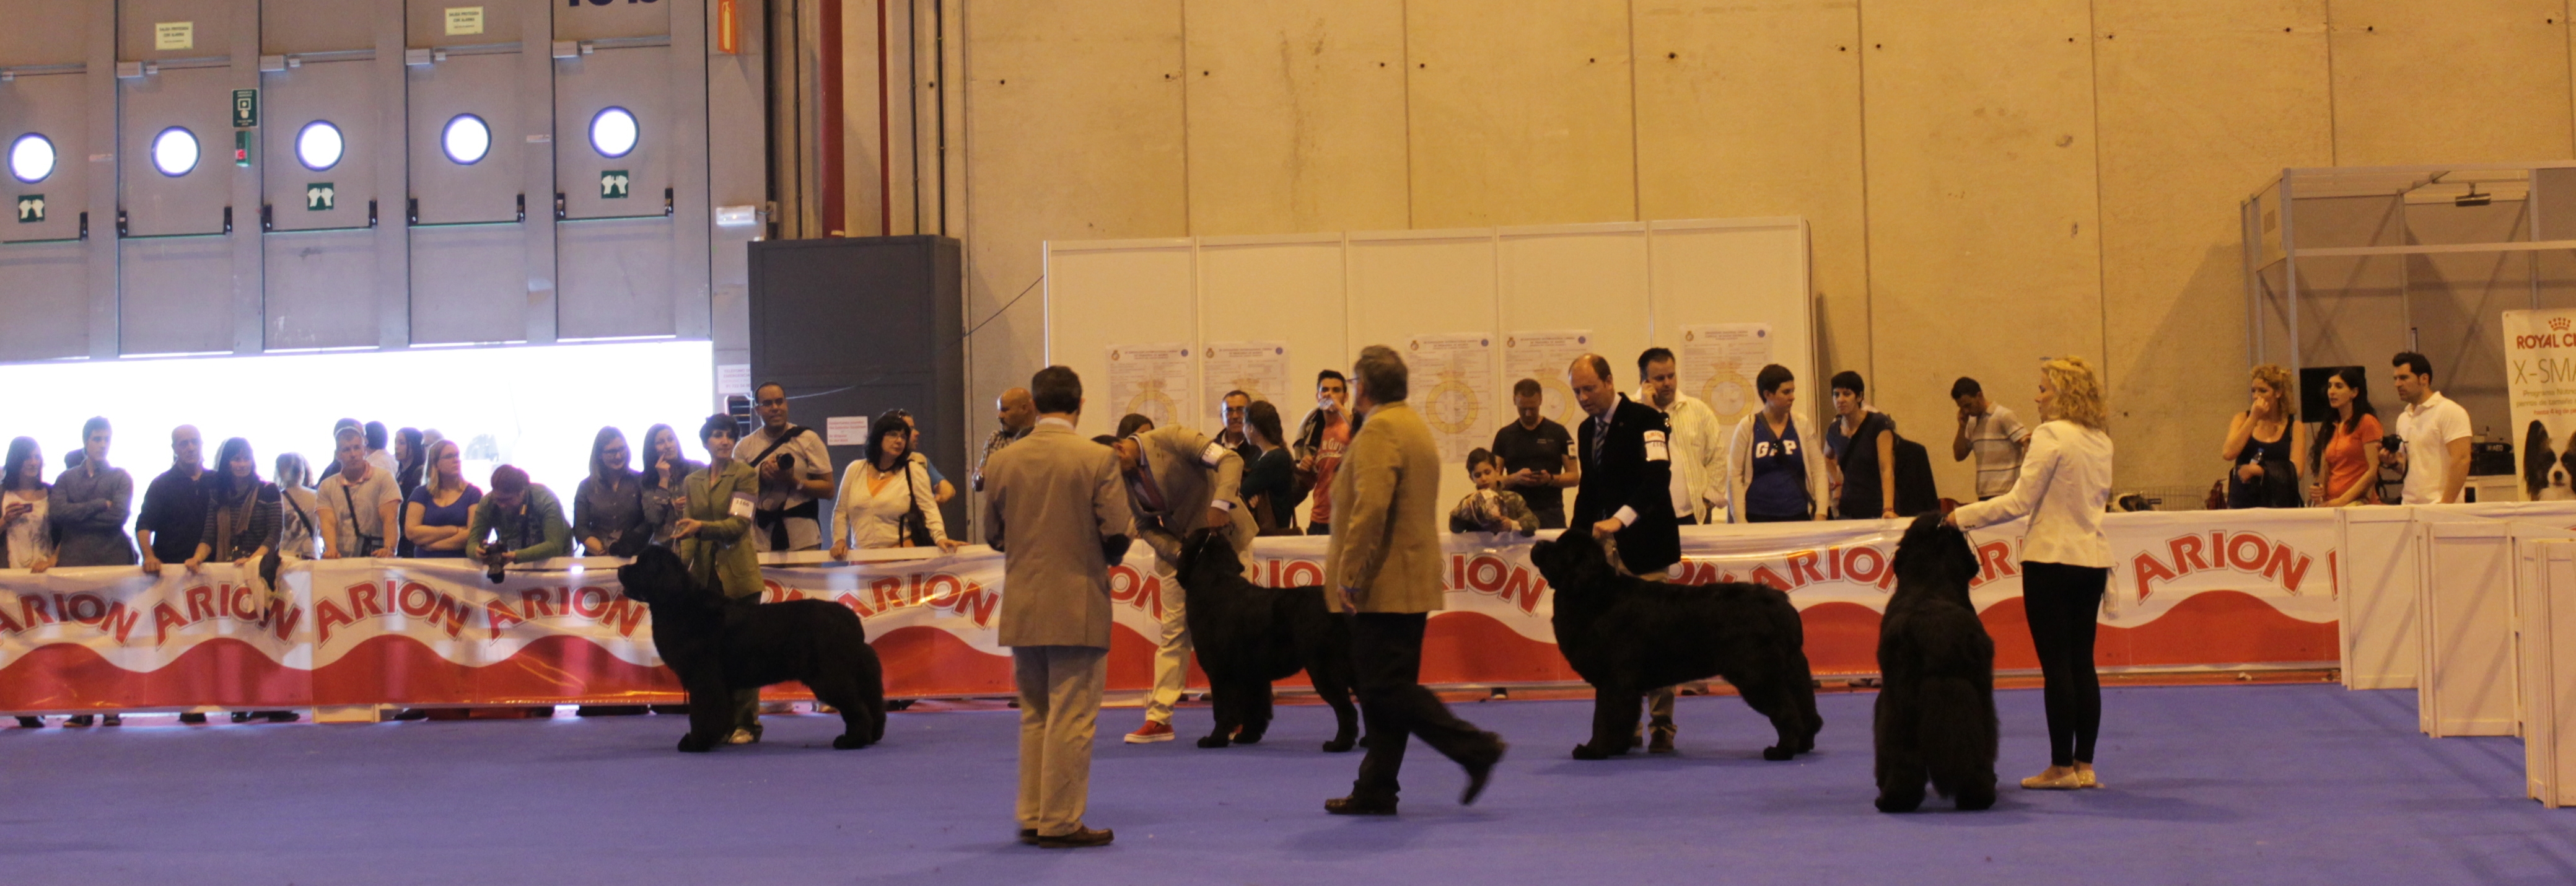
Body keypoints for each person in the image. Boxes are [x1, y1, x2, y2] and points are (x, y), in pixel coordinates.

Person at [1325, 345, 1506, 816]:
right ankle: (1376, 788)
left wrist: (1350, 574)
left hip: (1384, 583)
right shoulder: (1413, 425)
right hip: (1408, 580)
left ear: (1364, 387)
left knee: (1384, 689)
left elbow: (1370, 508)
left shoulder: (1379, 430)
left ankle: (1476, 748)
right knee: (1386, 694)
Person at [981, 366, 1133, 848]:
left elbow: (993, 535)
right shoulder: (1097, 458)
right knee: (1072, 715)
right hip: (1077, 602)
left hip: (1024, 602)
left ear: (1034, 405)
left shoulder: (1004, 460)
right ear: (1080, 403)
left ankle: (1032, 813)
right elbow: (1117, 532)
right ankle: (1061, 820)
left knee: (1036, 714)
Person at [1947, 356, 2114, 791]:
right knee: (2083, 664)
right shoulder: (2101, 439)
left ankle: (2060, 768)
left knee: (2057, 667)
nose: (2037, 398)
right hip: (2092, 561)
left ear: (2063, 394)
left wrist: (1962, 517)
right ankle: (2084, 765)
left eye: (2043, 389)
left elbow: (2019, 501)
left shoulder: (2050, 435)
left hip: (2051, 561)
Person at [1107, 411, 1258, 744]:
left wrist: (1220, 503)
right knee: (1173, 632)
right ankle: (1159, 718)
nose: (1112, 481)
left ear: (1119, 449)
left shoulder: (1173, 438)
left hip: (1227, 541)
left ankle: (1241, 714)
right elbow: (1145, 525)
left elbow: (1230, 460)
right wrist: (1179, 553)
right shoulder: (1119, 476)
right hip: (1181, 554)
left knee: (1235, 631)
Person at [1567, 353, 1686, 752]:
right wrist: (1576, 543)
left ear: (1609, 381)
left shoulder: (1648, 420)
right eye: (1577, 392)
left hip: (1647, 544)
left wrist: (1621, 519)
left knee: (1658, 640)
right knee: (1615, 645)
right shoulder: (1586, 430)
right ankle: (1624, 725)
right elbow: (1588, 492)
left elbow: (1657, 480)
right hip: (1606, 555)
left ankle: (1662, 726)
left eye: (1589, 388)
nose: (1583, 398)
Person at [672, 414, 764, 743]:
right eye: (717, 435)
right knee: (712, 659)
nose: (725, 441)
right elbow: (687, 534)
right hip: (704, 580)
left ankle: (747, 724)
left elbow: (739, 524)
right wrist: (681, 572)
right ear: (705, 442)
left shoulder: (745, 475)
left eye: (730, 436)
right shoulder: (692, 480)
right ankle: (721, 723)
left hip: (739, 577)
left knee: (745, 654)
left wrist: (701, 527)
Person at [830, 411, 958, 557]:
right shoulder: (855, 469)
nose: (899, 441)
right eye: (893, 435)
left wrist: (940, 538)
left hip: (902, 557)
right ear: (878, 437)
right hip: (862, 558)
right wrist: (839, 540)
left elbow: (930, 510)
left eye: (903, 437)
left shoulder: (913, 470)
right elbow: (841, 512)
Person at [1727, 364, 1833, 523]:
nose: (1792, 397)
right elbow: (1734, 474)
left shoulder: (1801, 424)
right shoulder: (1748, 426)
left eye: (1793, 391)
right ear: (1768, 395)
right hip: (1757, 515)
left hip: (1797, 513)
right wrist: (1740, 520)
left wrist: (1821, 512)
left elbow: (1818, 468)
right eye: (1786, 392)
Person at [1636, 348, 1727, 524]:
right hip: (1646, 516)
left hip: (1694, 514)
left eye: (1671, 376)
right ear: (1644, 381)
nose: (1668, 383)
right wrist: (1648, 411)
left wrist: (1708, 500)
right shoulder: (1631, 412)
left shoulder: (1698, 410)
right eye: (1660, 378)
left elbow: (1717, 457)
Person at [743, 382, 835, 552]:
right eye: (767, 403)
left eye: (779, 401)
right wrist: (761, 478)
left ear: (787, 404)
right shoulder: (744, 447)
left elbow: (829, 490)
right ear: (757, 410)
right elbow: (737, 497)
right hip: (759, 541)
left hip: (804, 539)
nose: (775, 408)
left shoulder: (808, 439)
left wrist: (793, 481)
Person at [1490, 378, 1581, 529]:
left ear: (1541, 400)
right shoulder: (1504, 436)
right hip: (1515, 512)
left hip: (1550, 512)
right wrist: (1516, 478)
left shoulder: (1558, 433)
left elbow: (1574, 477)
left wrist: (1550, 479)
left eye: (1533, 408)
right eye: (1523, 408)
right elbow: (1493, 481)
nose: (1528, 413)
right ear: (1514, 401)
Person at [2385, 351, 2473, 506]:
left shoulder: (2449, 411)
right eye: (2396, 379)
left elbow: (2462, 459)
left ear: (2424, 379)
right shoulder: (2404, 418)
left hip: (2440, 506)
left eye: (2404, 378)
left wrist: (2446, 503)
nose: (2397, 384)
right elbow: (2412, 469)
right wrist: (2393, 463)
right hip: (2409, 506)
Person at [50, 416, 136, 568]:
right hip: (73, 561)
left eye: (107, 440)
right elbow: (57, 513)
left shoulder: (121, 477)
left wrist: (74, 520)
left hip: (113, 560)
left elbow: (117, 517)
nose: (103, 445)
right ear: (85, 441)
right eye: (97, 439)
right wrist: (100, 504)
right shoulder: (66, 478)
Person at [2222, 364, 2307, 509]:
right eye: (2253, 391)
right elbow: (2228, 453)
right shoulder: (2242, 419)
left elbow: (2297, 471)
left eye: (2263, 391)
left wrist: (2260, 471)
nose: (2256, 396)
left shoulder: (2295, 427)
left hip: (2278, 503)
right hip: (2244, 501)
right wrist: (2253, 418)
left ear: (2278, 393)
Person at [135, 424, 210, 576]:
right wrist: (149, 557)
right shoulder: (161, 484)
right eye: (184, 443)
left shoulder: (217, 481)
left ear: (202, 444)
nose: (191, 448)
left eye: (195, 442)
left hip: (213, 569)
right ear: (174, 448)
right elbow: (144, 524)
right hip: (170, 571)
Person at [316, 427, 400, 560]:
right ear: (338, 455)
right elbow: (328, 523)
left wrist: (389, 549)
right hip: (341, 560)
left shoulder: (383, 478)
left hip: (376, 559)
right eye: (346, 450)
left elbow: (390, 518)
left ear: (364, 450)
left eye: (357, 448)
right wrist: (331, 550)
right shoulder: (327, 486)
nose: (353, 454)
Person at [465, 465, 571, 568]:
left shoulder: (545, 500)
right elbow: (471, 544)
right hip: (514, 558)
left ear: (521, 492)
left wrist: (517, 556)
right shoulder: (488, 502)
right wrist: (477, 551)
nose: (502, 505)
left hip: (554, 562)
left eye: (507, 500)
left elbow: (554, 546)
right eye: (498, 499)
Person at [2310, 367, 2386, 507]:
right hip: (2332, 504)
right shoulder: (2330, 426)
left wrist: (2342, 501)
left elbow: (2373, 472)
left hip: (2358, 505)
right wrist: (2318, 491)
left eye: (2339, 386)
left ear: (2354, 392)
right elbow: (2324, 472)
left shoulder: (2367, 422)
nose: (2332, 391)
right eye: (2330, 386)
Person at [1828, 371, 1899, 520]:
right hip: (1848, 507)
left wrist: (1888, 508)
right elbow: (1827, 458)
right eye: (1836, 394)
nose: (1840, 400)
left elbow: (1886, 468)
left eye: (1847, 394)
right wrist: (1836, 483)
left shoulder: (1878, 423)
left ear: (1859, 397)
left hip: (1877, 505)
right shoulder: (1834, 429)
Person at [574, 427, 652, 556]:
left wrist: (629, 544)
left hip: (634, 554)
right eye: (612, 452)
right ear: (600, 455)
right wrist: (603, 551)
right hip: (597, 555)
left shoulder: (640, 481)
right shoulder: (586, 487)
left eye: (622, 449)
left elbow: (649, 521)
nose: (618, 456)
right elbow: (581, 529)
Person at [1292, 371, 1354, 535]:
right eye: (1325, 390)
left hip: (1347, 519)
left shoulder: (1351, 426)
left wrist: (1339, 408)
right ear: (1318, 396)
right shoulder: (1312, 431)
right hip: (1319, 519)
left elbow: (1365, 435)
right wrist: (1304, 467)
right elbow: (1312, 480)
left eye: (1336, 390)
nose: (1329, 394)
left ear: (1346, 397)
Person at [1950, 377, 2031, 501]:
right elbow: (1959, 455)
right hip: (1984, 493)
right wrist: (1962, 427)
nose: (1966, 411)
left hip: (2007, 493)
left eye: (1968, 405)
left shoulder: (2003, 416)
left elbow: (2027, 442)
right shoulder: (1971, 423)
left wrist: (2024, 477)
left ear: (1979, 395)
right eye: (1962, 407)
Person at [402, 439, 482, 559]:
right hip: (424, 565)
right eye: (449, 456)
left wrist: (433, 546)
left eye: (457, 455)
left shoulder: (473, 494)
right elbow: (411, 532)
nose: (456, 460)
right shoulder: (421, 493)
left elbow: (472, 535)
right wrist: (452, 530)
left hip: (460, 563)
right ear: (436, 464)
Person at [1238, 400, 1301, 534]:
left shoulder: (1274, 458)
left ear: (1252, 427)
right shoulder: (1261, 455)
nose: (1243, 430)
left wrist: (1252, 496)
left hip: (1273, 534)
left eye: (1244, 424)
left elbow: (1242, 493)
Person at [1449, 448, 1538, 535]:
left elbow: (1534, 522)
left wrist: (1512, 524)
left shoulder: (1514, 498)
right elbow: (1455, 529)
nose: (1484, 478)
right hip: (1481, 545)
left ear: (1497, 471)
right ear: (1472, 478)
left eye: (1488, 472)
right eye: (1478, 475)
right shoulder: (1469, 503)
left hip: (1510, 545)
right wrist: (1463, 511)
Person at [637, 423, 700, 545]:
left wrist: (690, 503)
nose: (668, 446)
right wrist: (663, 480)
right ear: (652, 449)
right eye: (660, 442)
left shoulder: (696, 469)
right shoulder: (646, 480)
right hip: (664, 544)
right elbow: (653, 518)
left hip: (694, 540)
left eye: (671, 440)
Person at [3, 437, 57, 572]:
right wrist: (6, 520)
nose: (34, 462)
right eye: (28, 457)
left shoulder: (51, 493)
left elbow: (66, 532)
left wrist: (53, 560)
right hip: (9, 573)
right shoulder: (3, 494)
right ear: (16, 459)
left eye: (37, 457)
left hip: (45, 570)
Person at [886, 408, 959, 506]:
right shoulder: (874, 465)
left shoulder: (919, 460)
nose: (917, 433)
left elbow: (948, 489)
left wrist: (938, 500)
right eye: (910, 429)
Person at [973, 387, 1037, 493]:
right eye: (1000, 410)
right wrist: (980, 476)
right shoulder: (995, 439)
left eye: (1005, 410)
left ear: (1024, 409)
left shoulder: (1040, 437)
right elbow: (978, 484)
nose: (999, 416)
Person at [273, 454, 320, 563]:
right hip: (310, 557)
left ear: (278, 473)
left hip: (283, 558)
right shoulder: (317, 496)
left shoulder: (274, 500)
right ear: (302, 472)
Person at [1214, 390, 1259, 463]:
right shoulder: (1212, 450)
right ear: (1222, 416)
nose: (1235, 416)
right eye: (1229, 411)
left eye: (1241, 410)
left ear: (1251, 414)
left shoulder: (1260, 449)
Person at [393, 427, 426, 500]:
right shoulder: (401, 473)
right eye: (395, 442)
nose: (396, 447)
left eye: (402, 443)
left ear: (414, 446)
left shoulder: (419, 474)